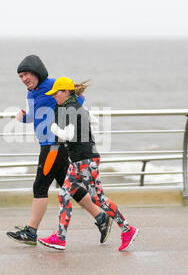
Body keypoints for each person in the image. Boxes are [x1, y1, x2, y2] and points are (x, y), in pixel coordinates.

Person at [6, 55, 112, 246]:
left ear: (37, 71)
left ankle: (31, 232)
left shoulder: (53, 84)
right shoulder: (31, 93)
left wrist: (76, 123)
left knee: (40, 186)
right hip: (48, 144)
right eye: (20, 76)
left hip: (54, 145)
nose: (24, 79)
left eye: (27, 74)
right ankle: (101, 218)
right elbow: (34, 116)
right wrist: (24, 118)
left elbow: (77, 100)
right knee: (70, 187)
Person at [37, 77, 139, 251]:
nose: (54, 96)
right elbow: (95, 121)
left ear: (65, 92)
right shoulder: (79, 108)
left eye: (56, 93)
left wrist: (53, 128)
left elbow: (68, 135)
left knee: (98, 198)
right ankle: (60, 238)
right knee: (64, 193)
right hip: (80, 160)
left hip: (84, 160)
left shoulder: (69, 109)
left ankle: (128, 229)